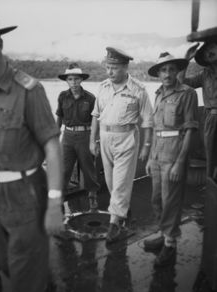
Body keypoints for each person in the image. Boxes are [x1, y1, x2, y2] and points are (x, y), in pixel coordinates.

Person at [0, 12, 63, 292]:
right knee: (2, 267)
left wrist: (56, 203)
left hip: (25, 197)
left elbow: (52, 147)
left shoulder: (28, 90)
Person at [90, 47, 153, 244]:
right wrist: (92, 140)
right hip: (105, 137)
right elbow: (95, 116)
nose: (109, 71)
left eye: (114, 68)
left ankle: (114, 225)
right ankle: (123, 213)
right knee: (111, 183)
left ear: (125, 67)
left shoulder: (138, 89)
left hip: (126, 138)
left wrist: (146, 146)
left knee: (120, 183)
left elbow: (148, 121)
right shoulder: (103, 87)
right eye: (108, 67)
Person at [144, 52, 199, 267]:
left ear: (177, 71)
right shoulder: (157, 94)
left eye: (171, 69)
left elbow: (190, 130)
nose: (167, 74)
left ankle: (170, 243)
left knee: (171, 201)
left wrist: (179, 162)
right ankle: (162, 233)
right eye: (163, 70)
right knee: (156, 199)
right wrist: (149, 158)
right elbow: (157, 129)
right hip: (157, 154)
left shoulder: (187, 93)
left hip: (174, 154)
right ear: (158, 73)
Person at [56, 63, 100, 212]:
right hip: (67, 136)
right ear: (66, 80)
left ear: (81, 80)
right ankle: (59, 198)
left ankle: (92, 196)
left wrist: (94, 140)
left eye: (76, 79)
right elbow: (59, 117)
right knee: (63, 169)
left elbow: (96, 120)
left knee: (89, 168)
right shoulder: (62, 96)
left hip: (85, 135)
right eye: (70, 79)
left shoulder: (90, 98)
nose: (73, 82)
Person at [179, 39, 217, 178]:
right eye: (206, 51)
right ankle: (211, 194)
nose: (209, 52)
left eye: (212, 46)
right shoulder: (204, 74)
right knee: (210, 160)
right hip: (210, 120)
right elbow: (182, 83)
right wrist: (185, 60)